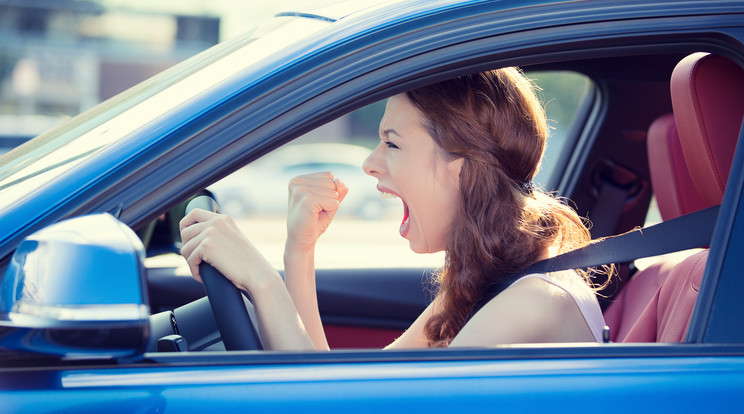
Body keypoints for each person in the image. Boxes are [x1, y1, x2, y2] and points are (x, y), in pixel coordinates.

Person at [180, 68, 607, 351]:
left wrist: (261, 281)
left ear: (462, 169)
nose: (369, 163)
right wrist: (299, 251)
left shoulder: (532, 300)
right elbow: (339, 389)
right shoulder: (487, 283)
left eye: (392, 143)